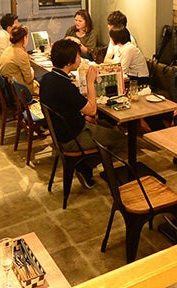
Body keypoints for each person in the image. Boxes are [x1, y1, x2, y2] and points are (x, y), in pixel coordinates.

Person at [39, 39, 125, 188]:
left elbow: (67, 107)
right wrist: (90, 82)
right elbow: (92, 110)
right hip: (72, 138)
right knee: (120, 139)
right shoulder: (65, 86)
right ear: (69, 62)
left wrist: (83, 116)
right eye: (78, 57)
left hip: (60, 133)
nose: (80, 60)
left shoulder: (47, 79)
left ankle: (85, 164)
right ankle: (85, 166)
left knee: (105, 125)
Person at [0, 26, 39, 96]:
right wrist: (32, 71)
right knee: (45, 80)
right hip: (21, 91)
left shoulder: (8, 49)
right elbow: (29, 80)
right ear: (25, 38)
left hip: (9, 88)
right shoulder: (21, 54)